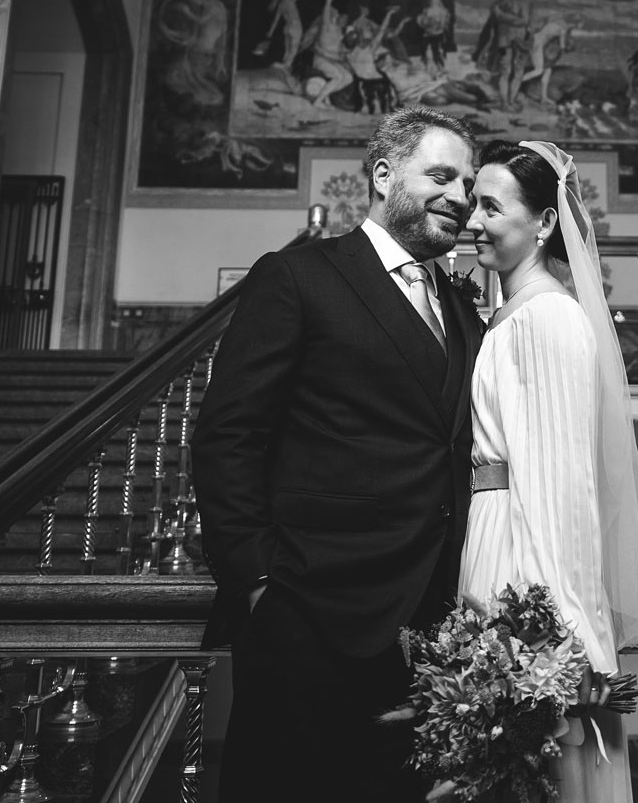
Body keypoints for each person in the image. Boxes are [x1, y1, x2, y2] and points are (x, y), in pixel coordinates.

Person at [192, 107, 482, 802]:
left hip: (431, 628)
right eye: (441, 176)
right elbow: (229, 435)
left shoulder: (463, 306)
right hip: (309, 620)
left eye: (469, 185)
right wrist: (259, 585)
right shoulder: (297, 277)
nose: (462, 197)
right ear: (384, 176)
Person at [460, 139, 638, 801]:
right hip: (495, 545)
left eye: (491, 206)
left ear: (545, 223)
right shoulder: (508, 317)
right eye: (472, 203)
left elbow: (564, 491)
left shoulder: (549, 320)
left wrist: (559, 645)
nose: (473, 221)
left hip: (527, 576)